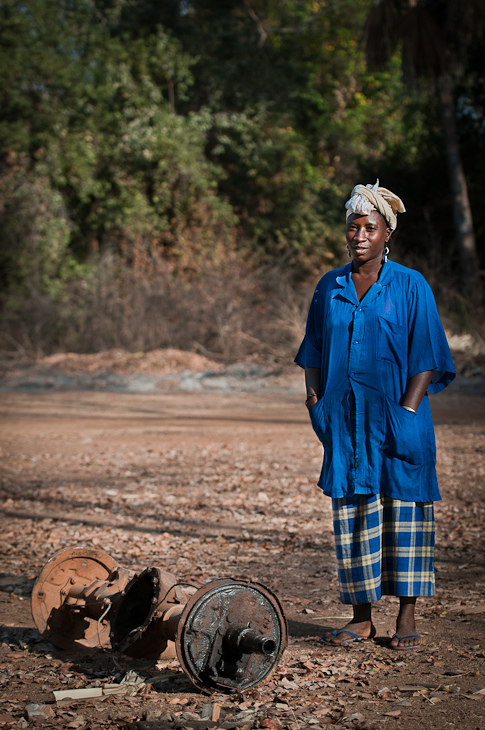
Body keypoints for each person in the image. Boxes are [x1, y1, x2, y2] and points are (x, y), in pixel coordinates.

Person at [295, 181, 455, 649]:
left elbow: (426, 356)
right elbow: (313, 350)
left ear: (388, 234)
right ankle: (361, 617)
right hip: (345, 423)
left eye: (371, 227)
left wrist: (406, 410)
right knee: (355, 513)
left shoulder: (410, 284)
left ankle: (406, 615)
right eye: (353, 226)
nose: (360, 234)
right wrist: (315, 403)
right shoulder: (331, 286)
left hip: (398, 418)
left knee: (405, 509)